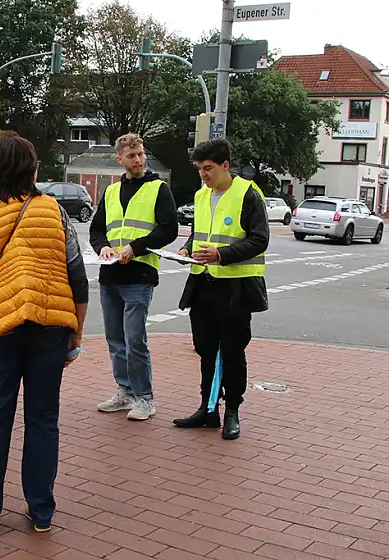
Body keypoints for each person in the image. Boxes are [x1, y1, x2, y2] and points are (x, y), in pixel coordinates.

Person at [0, 134, 89, 535]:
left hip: (0, 329)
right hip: (50, 326)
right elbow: (77, 276)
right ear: (31, 170)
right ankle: (41, 510)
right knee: (44, 418)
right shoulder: (55, 212)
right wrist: (75, 332)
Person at [173, 138, 269, 440]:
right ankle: (208, 408)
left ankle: (232, 411)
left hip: (236, 287)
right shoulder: (202, 195)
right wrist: (187, 249)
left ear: (226, 165)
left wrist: (222, 255)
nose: (203, 175)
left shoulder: (248, 194)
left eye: (209, 168)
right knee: (205, 349)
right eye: (200, 169)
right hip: (203, 282)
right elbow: (199, 233)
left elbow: (259, 239)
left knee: (232, 350)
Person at [89, 133, 178, 421]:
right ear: (120, 160)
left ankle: (144, 398)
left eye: (140, 154)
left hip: (140, 275)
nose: (138, 160)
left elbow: (169, 229)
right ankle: (125, 391)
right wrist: (102, 247)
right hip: (111, 275)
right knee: (115, 339)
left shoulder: (158, 189)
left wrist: (135, 247)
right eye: (131, 156)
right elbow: (96, 229)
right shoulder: (112, 192)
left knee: (135, 339)